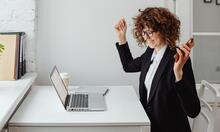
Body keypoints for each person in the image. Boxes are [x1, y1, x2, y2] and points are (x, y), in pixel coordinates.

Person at [114, 7, 200, 132]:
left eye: (150, 32)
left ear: (164, 30)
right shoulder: (150, 52)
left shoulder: (178, 58)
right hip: (148, 125)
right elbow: (128, 66)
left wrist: (178, 74)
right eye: (143, 32)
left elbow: (193, 111)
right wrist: (122, 37)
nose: (146, 37)